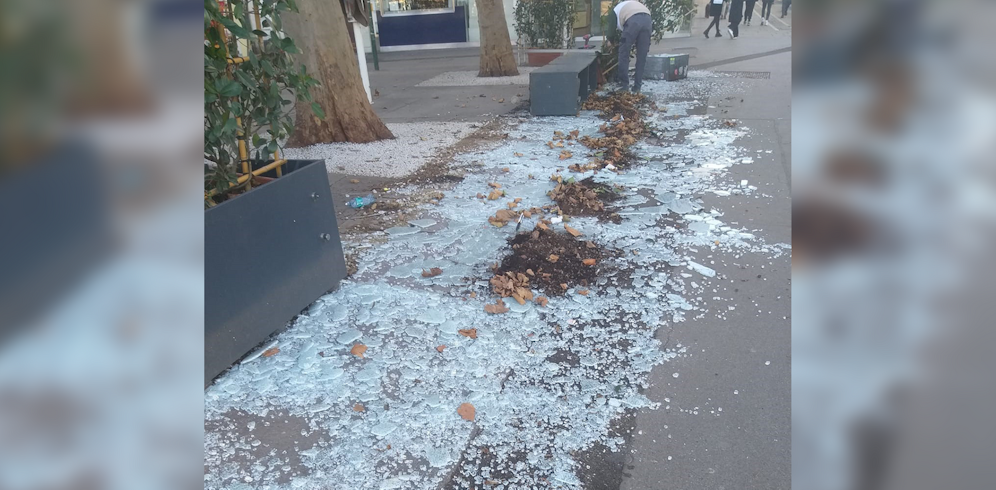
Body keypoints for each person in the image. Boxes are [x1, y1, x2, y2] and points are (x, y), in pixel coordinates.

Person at [614, 0, 653, 93]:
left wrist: (610, 40)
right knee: (642, 56)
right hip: (647, 19)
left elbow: (611, 29)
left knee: (624, 53)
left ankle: (624, 86)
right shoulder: (631, 5)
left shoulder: (614, 11)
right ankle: (637, 87)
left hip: (632, 21)